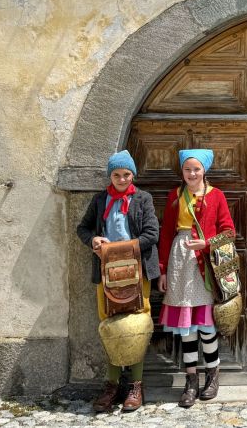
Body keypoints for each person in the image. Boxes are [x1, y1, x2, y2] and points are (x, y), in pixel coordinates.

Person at [76, 150, 161, 412]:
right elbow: (83, 228)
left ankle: (135, 385)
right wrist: (94, 240)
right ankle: (112, 385)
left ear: (132, 175)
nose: (121, 179)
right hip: (107, 273)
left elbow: (152, 234)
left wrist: (124, 248)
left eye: (126, 175)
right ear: (110, 176)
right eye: (116, 175)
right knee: (111, 325)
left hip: (136, 272)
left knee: (136, 324)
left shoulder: (143, 199)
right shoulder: (100, 200)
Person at [157, 149, 235, 408]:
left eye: (196, 169)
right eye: (187, 169)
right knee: (186, 328)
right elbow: (166, 234)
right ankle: (191, 380)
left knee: (205, 327)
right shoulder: (174, 197)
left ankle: (213, 374)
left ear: (204, 171)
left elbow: (229, 232)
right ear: (182, 171)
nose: (192, 173)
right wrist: (163, 269)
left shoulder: (217, 196)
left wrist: (207, 243)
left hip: (206, 266)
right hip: (180, 263)